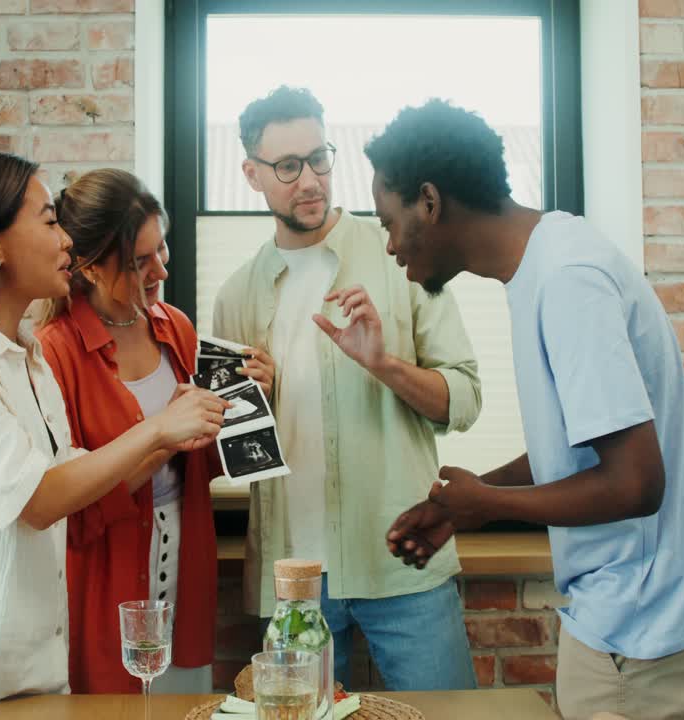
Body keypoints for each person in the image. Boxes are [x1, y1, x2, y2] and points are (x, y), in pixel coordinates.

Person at [376, 101, 684, 720]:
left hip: (638, 622)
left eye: (390, 222)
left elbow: (635, 483)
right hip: (635, 612)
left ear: (431, 203)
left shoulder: (567, 280)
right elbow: (580, 446)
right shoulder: (546, 260)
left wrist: (485, 506)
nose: (389, 245)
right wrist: (461, 502)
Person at [0, 154, 226, 719]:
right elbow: (35, 500)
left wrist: (165, 441)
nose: (66, 244)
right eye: (50, 221)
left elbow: (78, 475)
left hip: (17, 676)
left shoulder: (26, 357)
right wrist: (155, 429)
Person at [212, 87, 482, 691]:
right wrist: (255, 404)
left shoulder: (400, 256)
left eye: (320, 158)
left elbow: (464, 397)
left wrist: (385, 364)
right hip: (295, 584)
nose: (310, 180)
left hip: (402, 566)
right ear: (252, 174)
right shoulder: (234, 297)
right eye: (287, 166)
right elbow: (238, 454)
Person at [35, 169, 241, 695]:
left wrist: (245, 400)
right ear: (92, 269)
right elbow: (73, 507)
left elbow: (203, 463)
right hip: (108, 573)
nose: (162, 270)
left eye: (163, 249)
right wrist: (162, 435)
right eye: (140, 262)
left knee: (183, 700)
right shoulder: (54, 352)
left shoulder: (176, 328)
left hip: (186, 558)